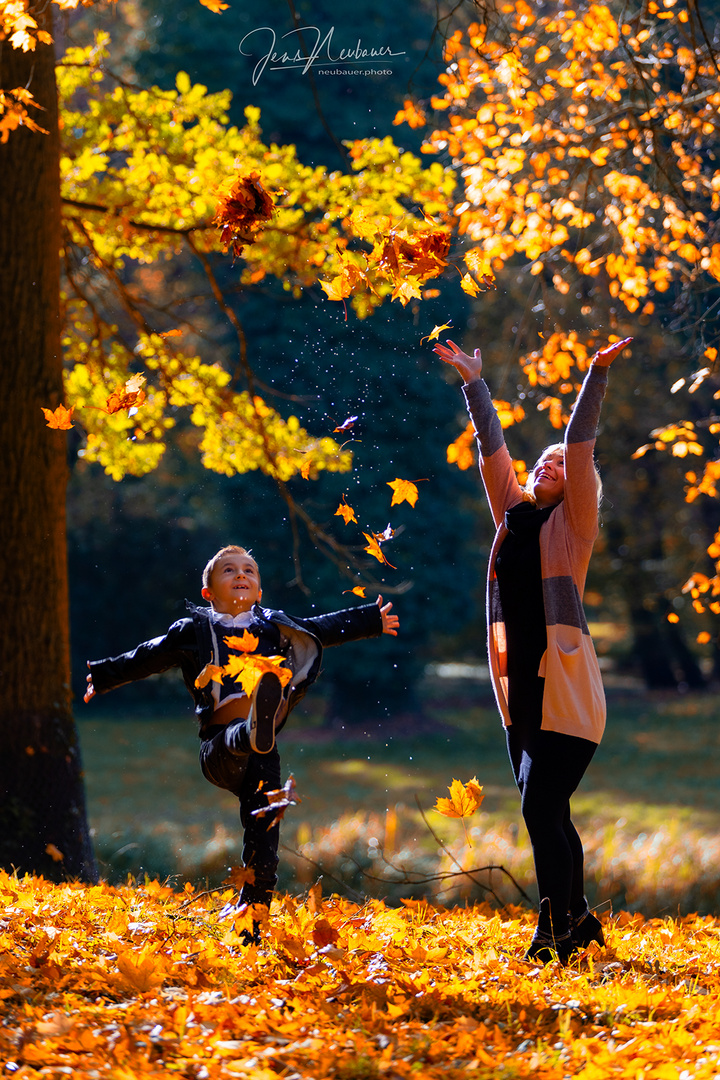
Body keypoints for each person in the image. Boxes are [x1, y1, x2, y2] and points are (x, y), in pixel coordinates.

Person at [434, 334, 632, 963]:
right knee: (547, 812)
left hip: (568, 698)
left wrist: (594, 377)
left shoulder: (572, 531)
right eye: (541, 463)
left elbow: (578, 446)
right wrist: (474, 382)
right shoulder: (514, 521)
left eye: (558, 466)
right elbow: (494, 456)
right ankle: (577, 920)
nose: (548, 466)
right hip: (522, 696)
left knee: (542, 805)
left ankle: (555, 932)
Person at [84, 545, 399, 936]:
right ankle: (249, 727)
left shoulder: (272, 628)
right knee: (238, 732)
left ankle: (251, 924)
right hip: (219, 748)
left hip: (264, 757)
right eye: (229, 570)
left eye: (249, 571)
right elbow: (148, 655)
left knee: (264, 838)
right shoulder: (195, 633)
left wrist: (369, 619)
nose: (241, 575)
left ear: (260, 591)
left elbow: (320, 628)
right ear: (208, 592)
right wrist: (103, 675)